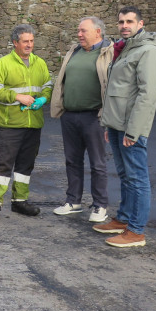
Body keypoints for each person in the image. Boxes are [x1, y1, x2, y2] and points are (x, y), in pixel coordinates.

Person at [94, 6, 156, 247]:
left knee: (137, 178)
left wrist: (134, 131)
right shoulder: (124, 48)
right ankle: (123, 218)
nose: (124, 25)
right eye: (121, 21)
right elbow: (117, 91)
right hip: (116, 124)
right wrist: (108, 123)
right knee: (125, 175)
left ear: (141, 24)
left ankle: (136, 231)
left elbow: (147, 94)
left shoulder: (147, 51)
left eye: (130, 21)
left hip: (131, 127)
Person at [0, 24, 53, 221]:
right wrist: (18, 97)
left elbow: (47, 86)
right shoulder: (3, 64)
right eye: (25, 41)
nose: (29, 45)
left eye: (31, 41)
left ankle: (20, 202)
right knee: (3, 164)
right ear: (15, 43)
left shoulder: (40, 63)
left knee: (25, 165)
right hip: (11, 124)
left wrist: (43, 99)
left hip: (33, 124)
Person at [50, 17, 113, 223]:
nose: (79, 34)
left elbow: (111, 86)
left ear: (97, 32)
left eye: (83, 31)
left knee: (97, 163)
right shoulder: (74, 51)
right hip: (70, 115)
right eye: (78, 31)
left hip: (93, 116)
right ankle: (73, 201)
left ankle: (100, 205)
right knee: (72, 160)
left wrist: (107, 116)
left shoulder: (108, 53)